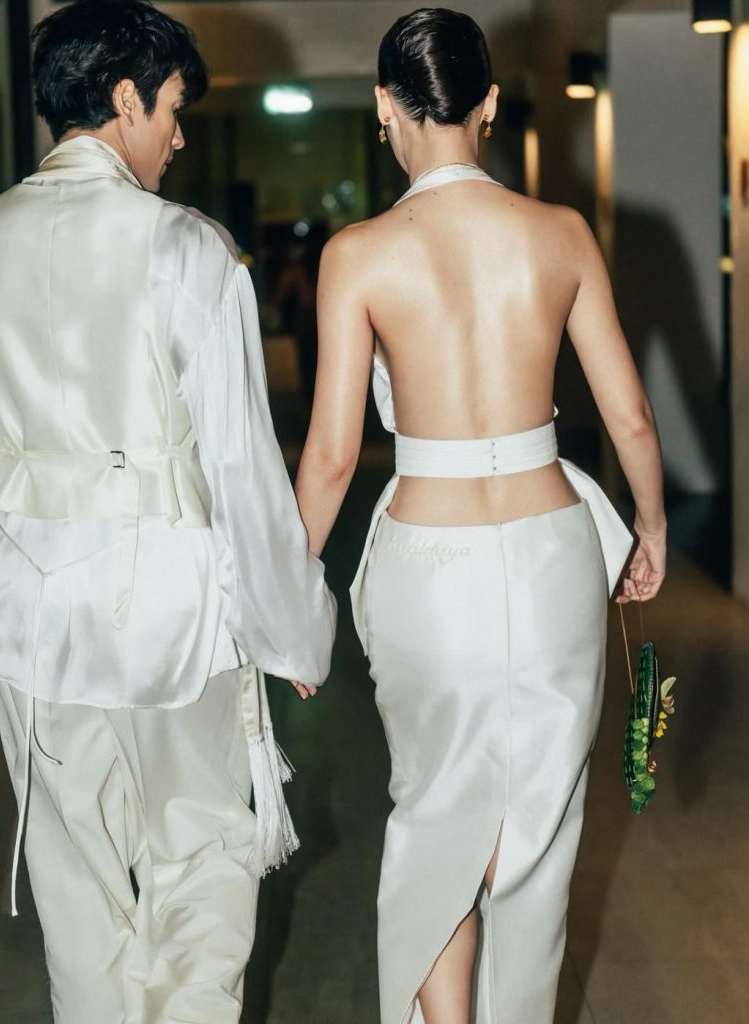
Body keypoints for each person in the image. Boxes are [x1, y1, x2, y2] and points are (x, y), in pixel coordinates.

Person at [0, 1, 335, 1021]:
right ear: (125, 97)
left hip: (29, 610)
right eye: (171, 109)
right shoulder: (184, 247)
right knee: (201, 859)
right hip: (168, 606)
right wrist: (291, 626)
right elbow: (241, 468)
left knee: (76, 889)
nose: (177, 136)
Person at [294, 7, 665, 1023]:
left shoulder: (358, 253)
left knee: (437, 815)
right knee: (535, 829)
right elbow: (629, 415)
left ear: (384, 106)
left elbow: (331, 458)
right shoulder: (559, 234)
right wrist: (648, 526)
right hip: (552, 554)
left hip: (429, 565)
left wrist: (286, 596)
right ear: (490, 104)